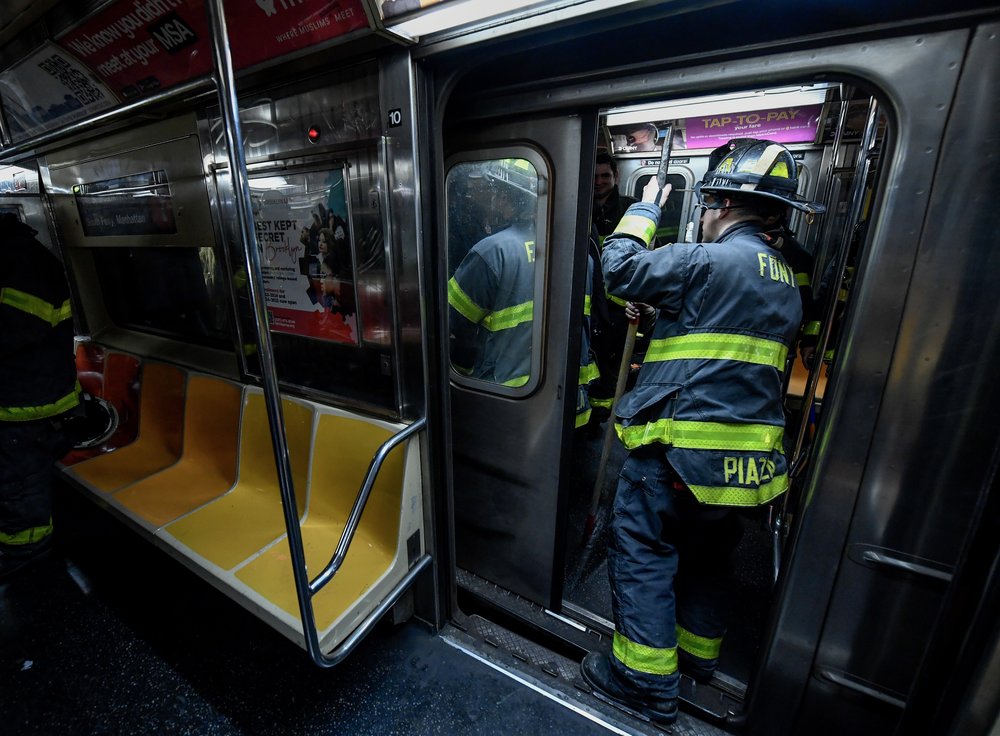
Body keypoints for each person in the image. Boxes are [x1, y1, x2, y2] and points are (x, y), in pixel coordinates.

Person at [580, 140, 825, 725]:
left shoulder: (706, 260)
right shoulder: (786, 279)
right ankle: (695, 662)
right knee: (708, 559)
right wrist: (664, 313)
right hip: (743, 467)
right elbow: (723, 346)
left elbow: (617, 270)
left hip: (676, 452)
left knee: (644, 550)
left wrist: (644, 209)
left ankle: (642, 682)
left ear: (715, 202)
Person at [0, 213, 80, 580]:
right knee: (19, 490)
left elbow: (17, 329)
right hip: (24, 400)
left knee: (20, 497)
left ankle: (28, 570)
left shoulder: (22, 261)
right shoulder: (17, 257)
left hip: (26, 407)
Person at [448, 158, 539, 387]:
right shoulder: (563, 247)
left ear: (505, 197)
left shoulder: (491, 252)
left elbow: (452, 320)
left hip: (497, 387)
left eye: (493, 192)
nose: (490, 200)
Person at [590, 153, 654, 430]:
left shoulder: (632, 210)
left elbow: (647, 257)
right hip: (588, 303)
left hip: (619, 309)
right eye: (593, 177)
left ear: (616, 177)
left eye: (605, 175)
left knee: (609, 369)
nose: (599, 182)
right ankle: (583, 419)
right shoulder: (580, 207)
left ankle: (602, 419)